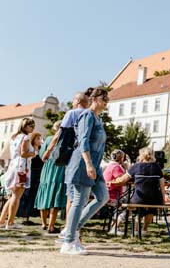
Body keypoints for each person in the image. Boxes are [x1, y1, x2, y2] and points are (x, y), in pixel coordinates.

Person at [61, 87, 110, 255]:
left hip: (95, 166)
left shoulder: (98, 119)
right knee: (79, 200)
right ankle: (68, 242)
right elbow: (83, 141)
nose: (107, 101)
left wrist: (95, 165)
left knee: (103, 197)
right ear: (95, 99)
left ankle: (72, 230)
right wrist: (88, 164)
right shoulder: (87, 116)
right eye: (104, 97)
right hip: (83, 163)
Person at [44, 90, 92, 240]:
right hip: (87, 156)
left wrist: (49, 151)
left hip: (73, 157)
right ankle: (76, 230)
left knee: (72, 196)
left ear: (77, 101)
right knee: (82, 196)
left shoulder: (72, 113)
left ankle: (68, 229)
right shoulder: (91, 115)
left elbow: (60, 135)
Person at [110, 147, 166, 234]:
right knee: (151, 208)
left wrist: (112, 182)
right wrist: (163, 199)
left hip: (139, 199)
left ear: (142, 155)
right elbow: (162, 185)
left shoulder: (136, 166)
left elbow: (122, 180)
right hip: (155, 199)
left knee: (130, 206)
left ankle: (119, 228)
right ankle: (144, 229)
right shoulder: (157, 167)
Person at [0, 118, 37, 229]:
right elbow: (23, 153)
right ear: (25, 126)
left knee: (12, 196)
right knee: (17, 196)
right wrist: (34, 152)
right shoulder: (25, 138)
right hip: (21, 168)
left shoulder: (14, 137)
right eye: (31, 126)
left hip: (13, 166)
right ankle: (10, 223)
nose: (32, 128)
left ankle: (2, 220)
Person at [35, 121, 65, 233]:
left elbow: (41, 154)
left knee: (45, 194)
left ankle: (44, 223)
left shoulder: (48, 139)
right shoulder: (65, 139)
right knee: (55, 195)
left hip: (47, 168)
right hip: (59, 168)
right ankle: (51, 226)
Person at [19, 131, 43, 225]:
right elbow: (28, 159)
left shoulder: (41, 148)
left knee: (34, 195)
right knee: (27, 195)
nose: (39, 140)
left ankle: (30, 215)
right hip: (32, 173)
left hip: (39, 174)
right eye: (38, 138)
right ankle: (25, 217)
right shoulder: (31, 148)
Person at [103, 149, 127, 234]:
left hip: (107, 194)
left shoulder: (109, 166)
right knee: (129, 206)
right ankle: (115, 228)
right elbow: (123, 180)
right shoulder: (116, 167)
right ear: (121, 159)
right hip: (113, 195)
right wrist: (126, 168)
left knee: (126, 202)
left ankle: (114, 226)